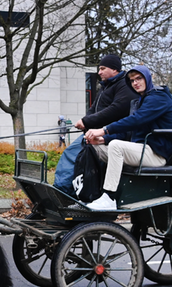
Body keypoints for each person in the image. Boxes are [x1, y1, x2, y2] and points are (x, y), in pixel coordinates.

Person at [84, 65, 172, 210]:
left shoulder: (159, 97)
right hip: (140, 150)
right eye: (132, 80)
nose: (135, 83)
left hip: (156, 154)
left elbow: (136, 120)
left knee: (116, 146)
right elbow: (129, 131)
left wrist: (103, 130)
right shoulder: (139, 101)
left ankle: (109, 197)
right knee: (95, 146)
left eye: (139, 78)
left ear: (147, 78)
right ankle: (91, 193)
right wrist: (102, 140)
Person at [53, 54, 138, 197]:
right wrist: (84, 121)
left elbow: (115, 109)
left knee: (78, 157)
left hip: (109, 135)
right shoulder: (105, 86)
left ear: (115, 69)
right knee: (70, 153)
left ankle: (65, 194)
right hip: (93, 132)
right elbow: (93, 109)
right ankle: (60, 190)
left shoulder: (124, 86)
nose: (99, 72)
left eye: (103, 68)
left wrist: (87, 122)